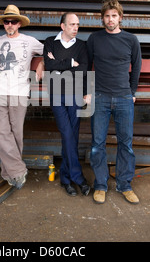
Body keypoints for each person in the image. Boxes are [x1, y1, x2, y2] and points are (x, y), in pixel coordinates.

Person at [87, 0, 142, 205]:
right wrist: (88, 92)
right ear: (102, 18)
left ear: (120, 17)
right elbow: (86, 65)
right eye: (107, 16)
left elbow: (136, 66)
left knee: (125, 144)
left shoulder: (130, 40)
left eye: (114, 15)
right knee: (97, 144)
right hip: (100, 97)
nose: (110, 19)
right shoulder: (94, 39)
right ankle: (100, 185)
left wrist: (132, 91)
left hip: (123, 98)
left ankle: (124, 184)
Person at [0, 4, 44, 189]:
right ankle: (19, 171)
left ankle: (9, 174)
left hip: (19, 93)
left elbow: (51, 51)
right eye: (7, 21)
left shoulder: (30, 41)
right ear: (3, 23)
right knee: (2, 134)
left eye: (13, 21)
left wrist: (42, 63)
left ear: (19, 23)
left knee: (16, 135)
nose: (10, 24)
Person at [43, 12, 90, 197]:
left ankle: (66, 179)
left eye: (77, 24)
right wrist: (70, 62)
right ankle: (79, 178)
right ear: (62, 26)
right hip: (57, 95)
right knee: (67, 133)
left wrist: (59, 64)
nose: (76, 28)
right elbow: (49, 66)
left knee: (72, 136)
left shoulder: (82, 46)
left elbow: (84, 69)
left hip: (76, 94)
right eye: (72, 24)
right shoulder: (50, 42)